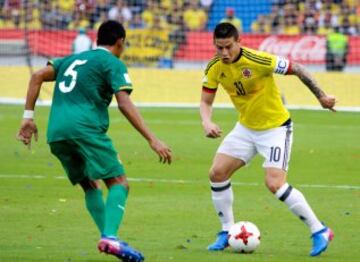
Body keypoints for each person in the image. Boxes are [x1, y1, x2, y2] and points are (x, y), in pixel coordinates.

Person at [17, 20, 172, 262]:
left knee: (90, 185)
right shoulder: (112, 62)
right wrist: (153, 139)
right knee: (119, 182)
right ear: (120, 42)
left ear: (97, 39)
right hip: (86, 129)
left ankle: (109, 239)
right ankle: (110, 236)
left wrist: (28, 117)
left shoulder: (70, 60)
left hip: (56, 133)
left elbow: (37, 75)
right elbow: (124, 102)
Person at [200, 23, 335, 257]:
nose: (224, 53)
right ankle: (226, 232)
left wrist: (321, 97)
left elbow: (299, 69)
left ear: (238, 41)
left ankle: (319, 230)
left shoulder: (259, 60)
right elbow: (205, 102)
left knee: (275, 183)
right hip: (245, 128)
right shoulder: (214, 67)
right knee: (217, 173)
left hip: (275, 129)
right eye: (219, 47)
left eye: (228, 47)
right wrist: (207, 121)